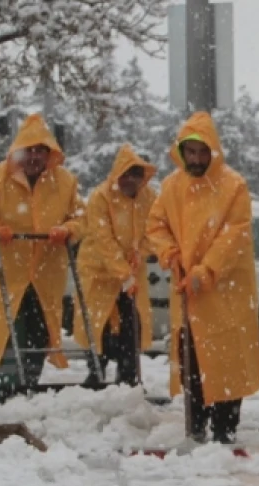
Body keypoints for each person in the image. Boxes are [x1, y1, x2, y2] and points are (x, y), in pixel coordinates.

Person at [146, 111, 259, 444]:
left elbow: (235, 234)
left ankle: (225, 429)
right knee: (192, 361)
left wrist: (207, 270)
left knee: (226, 361)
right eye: (190, 152)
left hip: (226, 291)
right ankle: (196, 426)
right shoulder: (171, 187)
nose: (196, 159)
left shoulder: (233, 186)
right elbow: (156, 226)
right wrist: (169, 253)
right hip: (187, 290)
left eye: (202, 152)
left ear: (213, 151)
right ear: (181, 152)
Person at [0, 113, 85, 405]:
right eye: (29, 150)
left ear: (49, 153)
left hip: (46, 274)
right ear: (18, 150)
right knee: (8, 335)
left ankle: (28, 391)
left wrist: (67, 230)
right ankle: (4, 397)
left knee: (38, 336)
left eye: (40, 150)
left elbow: (81, 217)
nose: (34, 156)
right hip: (9, 274)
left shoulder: (65, 183)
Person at [72, 145, 158, 386]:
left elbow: (154, 231)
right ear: (117, 173)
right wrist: (122, 273)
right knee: (97, 324)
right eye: (126, 173)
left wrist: (140, 253)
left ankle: (128, 373)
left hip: (132, 271)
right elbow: (103, 239)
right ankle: (95, 372)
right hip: (98, 270)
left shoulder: (149, 198)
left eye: (136, 174)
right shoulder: (101, 197)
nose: (130, 180)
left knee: (132, 323)